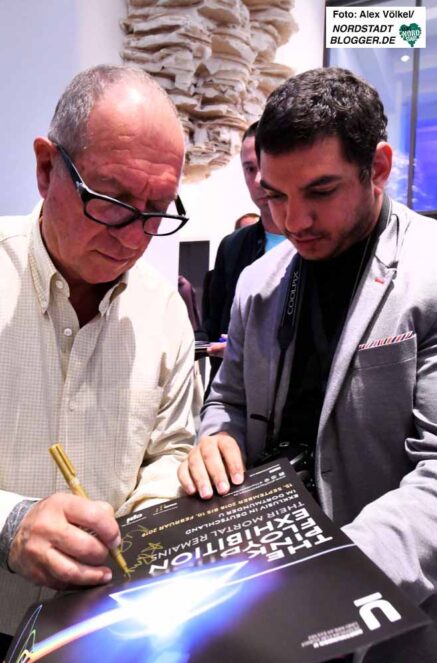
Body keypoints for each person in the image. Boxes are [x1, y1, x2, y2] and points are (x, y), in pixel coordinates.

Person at [178, 67, 437, 661]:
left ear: (378, 167)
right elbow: (229, 399)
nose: (293, 222)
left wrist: (329, 574)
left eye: (320, 192)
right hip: (259, 580)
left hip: (386, 609)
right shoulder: (256, 282)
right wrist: (217, 438)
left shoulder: (429, 275)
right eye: (275, 195)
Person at [0, 64, 196, 648]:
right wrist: (9, 524)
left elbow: (171, 449)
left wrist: (147, 518)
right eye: (112, 201)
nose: (133, 238)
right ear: (46, 168)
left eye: (158, 209)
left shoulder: (164, 311)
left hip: (105, 631)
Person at [202, 122, 286, 379]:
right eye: (250, 169)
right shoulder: (232, 247)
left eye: (265, 166)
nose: (259, 179)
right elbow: (214, 325)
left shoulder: (312, 241)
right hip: (235, 389)